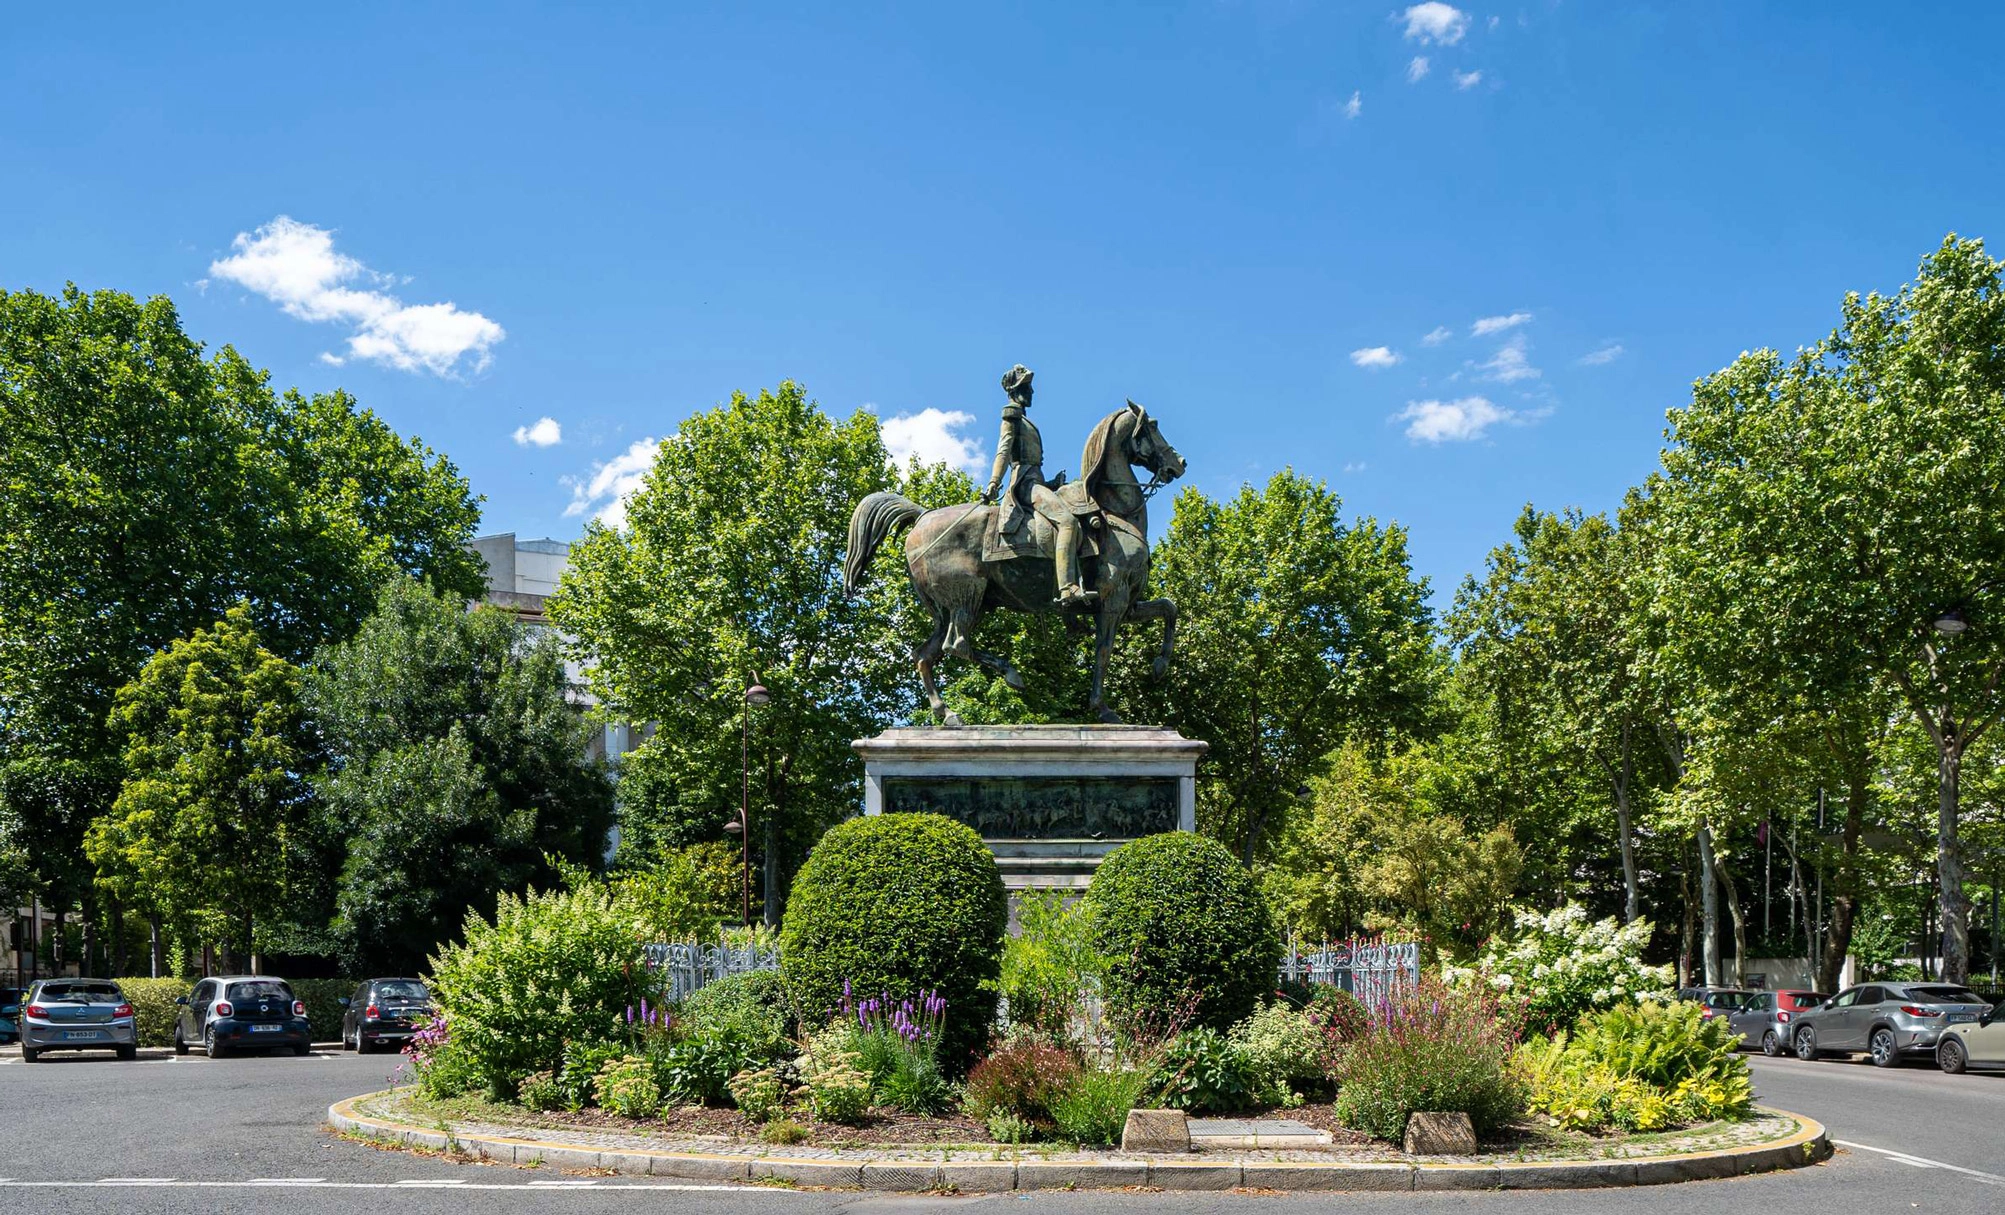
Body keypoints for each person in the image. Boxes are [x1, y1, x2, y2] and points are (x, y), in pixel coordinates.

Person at [980, 364, 1096, 608]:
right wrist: (994, 482)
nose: (1032, 391)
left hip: (1035, 481)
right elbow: (1003, 451)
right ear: (1015, 389)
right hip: (1024, 483)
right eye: (1027, 386)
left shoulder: (1025, 420)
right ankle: (1067, 587)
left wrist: (1052, 484)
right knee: (1067, 521)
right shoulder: (1011, 415)